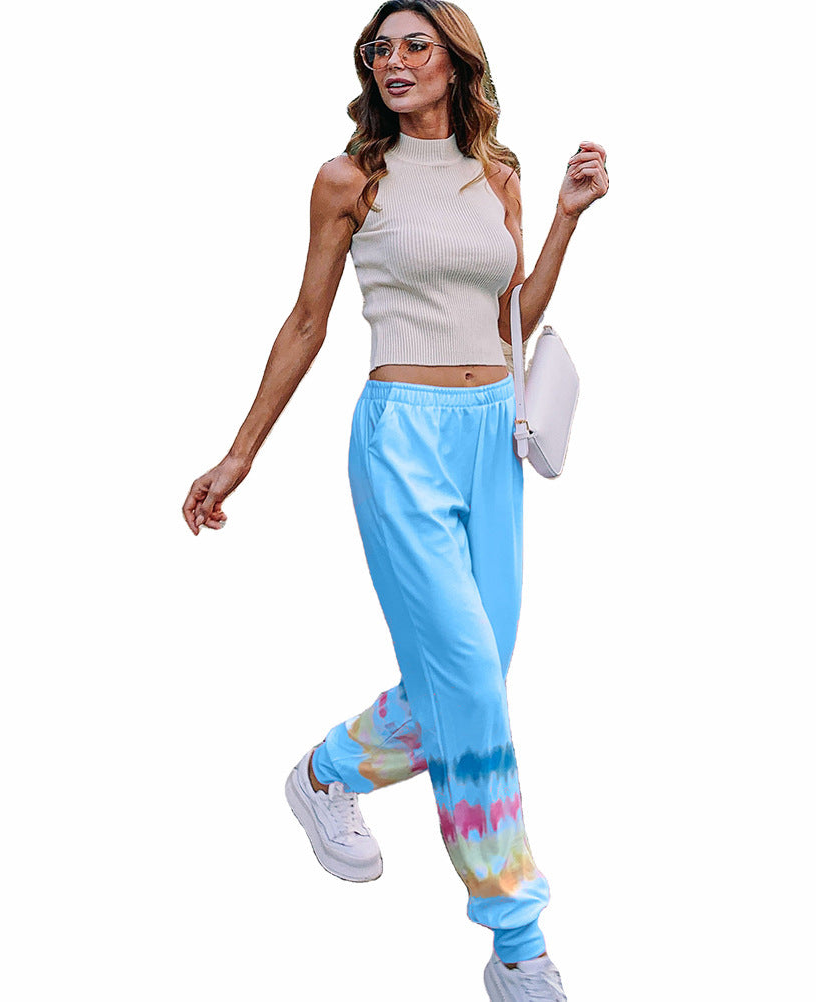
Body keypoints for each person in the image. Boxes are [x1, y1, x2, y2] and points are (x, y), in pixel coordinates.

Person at [182, 2, 607, 998]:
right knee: (468, 679)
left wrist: (564, 217)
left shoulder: (497, 174)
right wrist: (241, 453)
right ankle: (517, 941)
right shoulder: (350, 179)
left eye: (416, 44)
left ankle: (327, 771)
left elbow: (510, 318)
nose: (394, 61)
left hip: (491, 440)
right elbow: (306, 321)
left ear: (457, 63)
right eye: (380, 49)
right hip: (401, 438)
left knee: (472, 679)